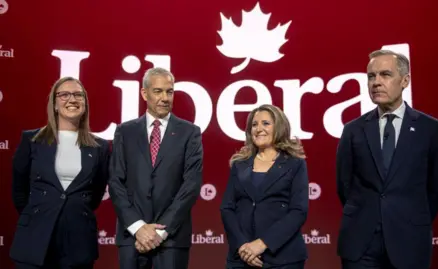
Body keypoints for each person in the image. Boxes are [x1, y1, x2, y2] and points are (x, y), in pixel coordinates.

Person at [336, 50, 438, 269]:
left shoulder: (430, 129)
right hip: (361, 243)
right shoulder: (353, 130)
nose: (376, 82)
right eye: (371, 76)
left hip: (409, 240)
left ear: (405, 80)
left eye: (385, 75)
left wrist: (408, 216)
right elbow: (344, 185)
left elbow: (437, 187)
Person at [9, 77, 110, 269]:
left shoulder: (100, 147)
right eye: (64, 94)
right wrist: (39, 214)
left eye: (78, 95)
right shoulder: (31, 140)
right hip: (34, 239)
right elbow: (19, 190)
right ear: (54, 104)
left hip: (78, 241)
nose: (72, 99)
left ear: (85, 104)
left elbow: (95, 194)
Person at [108, 67, 203, 269]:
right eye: (158, 91)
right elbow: (116, 182)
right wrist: (138, 227)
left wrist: (160, 232)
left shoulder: (190, 133)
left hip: (171, 239)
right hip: (132, 237)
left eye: (169, 91)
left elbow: (191, 185)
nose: (165, 98)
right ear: (144, 93)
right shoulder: (125, 131)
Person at [220, 104, 309, 269]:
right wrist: (242, 246)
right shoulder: (239, 165)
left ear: (279, 127)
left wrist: (262, 244)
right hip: (242, 257)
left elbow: (298, 211)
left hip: (283, 258)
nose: (258, 129)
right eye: (254, 125)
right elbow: (227, 208)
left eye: (266, 123)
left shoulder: (295, 164)